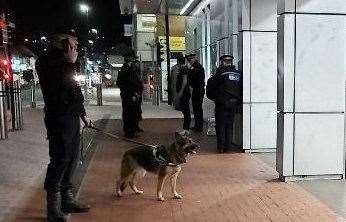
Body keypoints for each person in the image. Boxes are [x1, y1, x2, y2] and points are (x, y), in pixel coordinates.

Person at [36, 29, 90, 222]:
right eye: (73, 45)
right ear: (63, 45)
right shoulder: (47, 62)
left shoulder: (68, 64)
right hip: (58, 118)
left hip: (72, 116)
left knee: (73, 157)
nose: (76, 48)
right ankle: (53, 208)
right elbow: (60, 89)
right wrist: (70, 63)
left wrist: (82, 113)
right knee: (60, 159)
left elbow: (75, 89)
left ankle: (67, 199)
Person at [206, 55, 242, 153]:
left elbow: (210, 88)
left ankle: (221, 147)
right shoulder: (238, 74)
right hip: (234, 104)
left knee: (220, 125)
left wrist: (216, 99)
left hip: (222, 104)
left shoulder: (219, 74)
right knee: (230, 125)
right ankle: (228, 146)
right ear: (231, 62)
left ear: (223, 62)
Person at [116, 51, 144, 138]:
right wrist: (133, 93)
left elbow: (136, 81)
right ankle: (129, 131)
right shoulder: (125, 69)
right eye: (132, 58)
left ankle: (134, 128)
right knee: (129, 113)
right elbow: (123, 83)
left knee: (135, 112)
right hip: (129, 95)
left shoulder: (131, 68)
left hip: (134, 94)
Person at [186, 53, 205, 132]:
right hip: (196, 90)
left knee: (198, 109)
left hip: (198, 90)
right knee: (196, 108)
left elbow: (193, 76)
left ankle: (199, 127)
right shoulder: (195, 67)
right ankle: (197, 125)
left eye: (190, 60)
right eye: (188, 60)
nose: (189, 61)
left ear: (194, 58)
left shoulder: (197, 67)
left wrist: (190, 69)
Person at [175, 55, 191, 131]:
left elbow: (184, 81)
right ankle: (185, 128)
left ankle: (186, 129)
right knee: (184, 110)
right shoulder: (182, 68)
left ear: (178, 62)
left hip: (184, 93)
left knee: (186, 110)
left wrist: (181, 91)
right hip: (184, 92)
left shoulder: (183, 68)